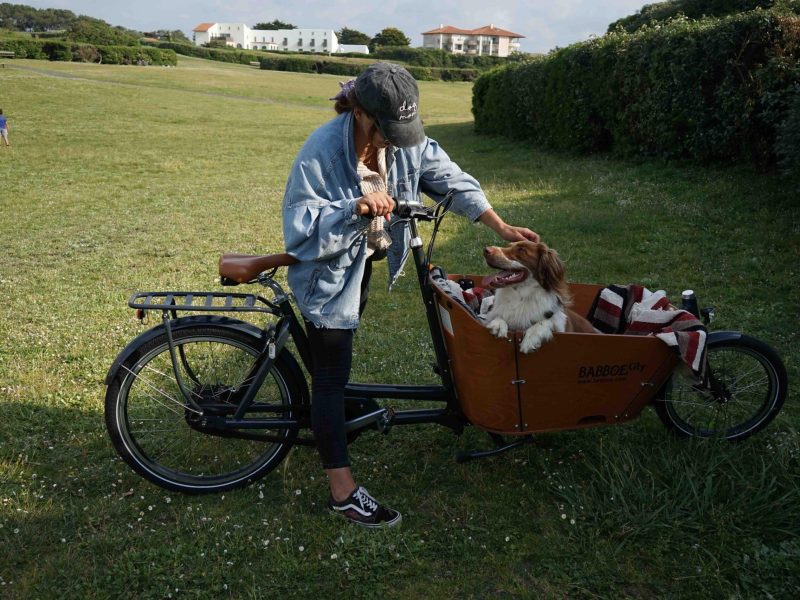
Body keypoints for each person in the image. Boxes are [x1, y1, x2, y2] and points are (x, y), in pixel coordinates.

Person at [281, 62, 539, 528]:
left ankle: (332, 419)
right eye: (388, 130)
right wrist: (355, 206)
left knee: (333, 370)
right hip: (326, 274)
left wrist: (499, 225)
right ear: (359, 111)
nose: (397, 141)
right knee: (331, 374)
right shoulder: (321, 150)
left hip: (358, 267)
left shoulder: (403, 139)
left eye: (404, 130)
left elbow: (448, 176)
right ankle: (342, 491)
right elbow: (300, 229)